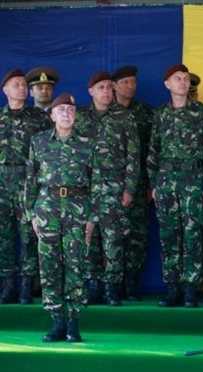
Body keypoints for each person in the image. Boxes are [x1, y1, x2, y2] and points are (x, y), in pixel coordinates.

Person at [25, 92, 101, 342]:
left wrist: (92, 218)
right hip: (47, 208)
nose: (66, 113)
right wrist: (31, 213)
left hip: (78, 209)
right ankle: (57, 320)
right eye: (61, 110)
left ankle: (73, 321)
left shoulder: (88, 143)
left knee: (75, 263)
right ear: (52, 115)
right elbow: (30, 179)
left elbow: (96, 183)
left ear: (75, 115)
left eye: (70, 109)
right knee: (49, 265)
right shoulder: (39, 142)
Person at [148, 64, 203, 307]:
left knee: (192, 235)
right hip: (166, 181)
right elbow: (153, 150)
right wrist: (154, 184)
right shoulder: (160, 114)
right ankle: (172, 288)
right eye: (177, 78)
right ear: (167, 84)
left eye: (186, 78)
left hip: (193, 181)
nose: (183, 82)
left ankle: (190, 289)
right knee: (168, 235)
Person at [75, 71, 139, 306]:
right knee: (88, 239)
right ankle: (93, 285)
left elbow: (133, 155)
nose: (106, 91)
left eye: (109, 88)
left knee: (113, 240)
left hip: (115, 188)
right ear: (91, 91)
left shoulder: (125, 117)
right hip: (86, 190)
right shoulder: (80, 117)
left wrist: (129, 189)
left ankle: (112, 288)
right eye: (100, 87)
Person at [0, 68, 52, 305]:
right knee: (4, 236)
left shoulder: (39, 118)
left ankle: (26, 286)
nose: (21, 88)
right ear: (5, 90)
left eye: (23, 85)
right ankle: (7, 285)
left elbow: (47, 152)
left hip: (28, 182)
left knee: (28, 236)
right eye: (16, 85)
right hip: (2, 182)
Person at [112, 65, 154, 300]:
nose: (131, 86)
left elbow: (152, 151)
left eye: (133, 82)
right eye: (125, 82)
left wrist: (150, 184)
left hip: (138, 183)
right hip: (108, 186)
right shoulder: (106, 112)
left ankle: (131, 284)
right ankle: (112, 284)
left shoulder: (145, 113)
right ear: (115, 86)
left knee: (137, 235)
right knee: (112, 235)